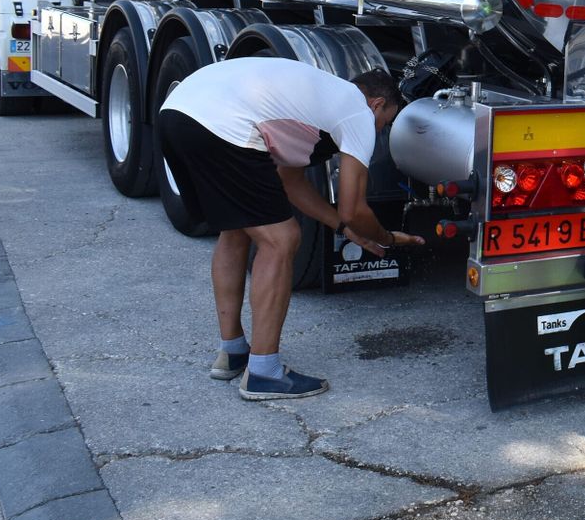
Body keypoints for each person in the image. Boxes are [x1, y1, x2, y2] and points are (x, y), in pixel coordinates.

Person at [158, 58, 425, 401]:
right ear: (376, 103)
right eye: (383, 122)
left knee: (237, 229)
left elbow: (290, 181)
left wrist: (344, 228)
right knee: (281, 239)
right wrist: (386, 237)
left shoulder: (314, 104)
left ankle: (233, 351)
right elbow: (354, 207)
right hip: (222, 124)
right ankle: (264, 373)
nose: (376, 132)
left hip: (178, 113)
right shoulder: (357, 110)